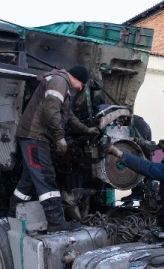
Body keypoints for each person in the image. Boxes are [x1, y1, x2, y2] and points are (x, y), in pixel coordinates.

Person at [9, 65, 100, 232]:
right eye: (82, 84)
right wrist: (60, 138)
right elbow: (51, 111)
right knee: (45, 175)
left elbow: (69, 116)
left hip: (33, 136)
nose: (81, 88)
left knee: (28, 181)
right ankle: (56, 223)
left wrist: (86, 130)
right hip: (35, 137)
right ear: (77, 78)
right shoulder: (59, 81)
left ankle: (12, 214)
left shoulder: (61, 84)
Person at [120, 114, 153, 206]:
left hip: (139, 127)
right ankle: (143, 192)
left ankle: (141, 193)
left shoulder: (106, 114)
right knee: (145, 159)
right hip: (142, 126)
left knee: (138, 160)